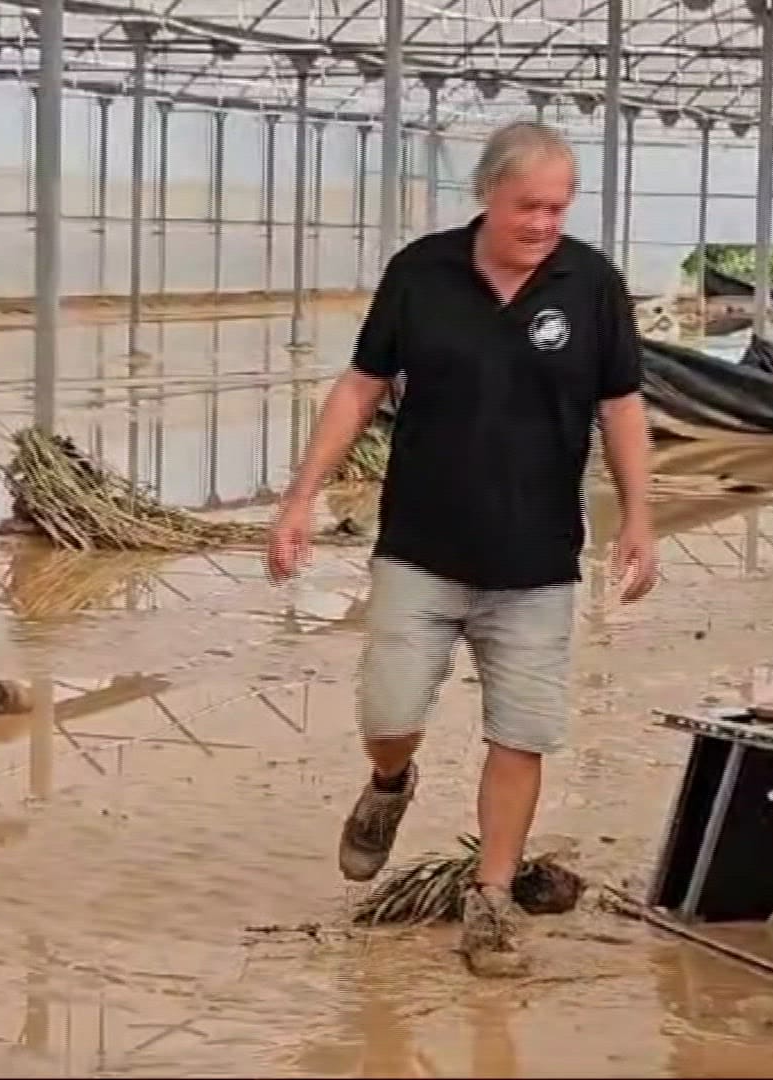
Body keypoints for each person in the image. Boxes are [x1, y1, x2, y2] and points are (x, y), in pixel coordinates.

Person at [264, 119, 657, 978]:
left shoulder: (590, 285)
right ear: (487, 194)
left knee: (521, 734)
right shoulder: (421, 274)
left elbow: (621, 403)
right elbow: (362, 384)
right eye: (529, 206)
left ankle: (490, 899)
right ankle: (390, 785)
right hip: (420, 550)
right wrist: (301, 497)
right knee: (389, 714)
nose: (545, 223)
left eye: (559, 207)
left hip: (539, 562)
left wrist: (638, 514)